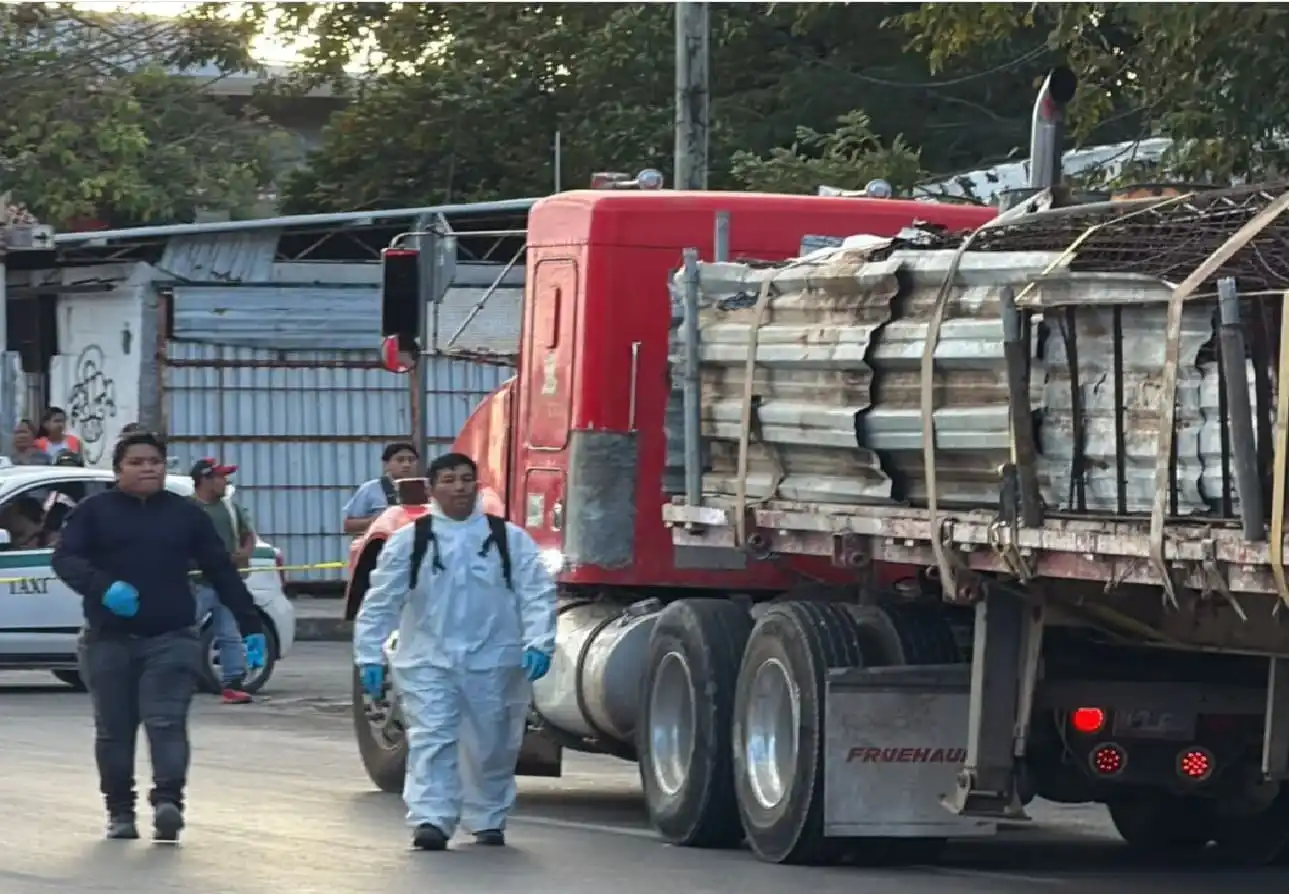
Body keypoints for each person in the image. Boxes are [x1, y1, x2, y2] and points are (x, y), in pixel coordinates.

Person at [51, 431, 267, 843]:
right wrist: (101, 586)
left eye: (155, 461)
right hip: (107, 639)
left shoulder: (184, 515)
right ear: (119, 470)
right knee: (114, 731)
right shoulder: (93, 512)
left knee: (166, 723)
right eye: (137, 462)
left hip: (171, 637)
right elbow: (65, 558)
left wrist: (250, 624)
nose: (148, 468)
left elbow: (220, 570)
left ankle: (169, 802)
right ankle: (120, 811)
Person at [353, 452, 556, 851]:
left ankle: (487, 817)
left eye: (466, 479)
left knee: (492, 742)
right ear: (431, 489)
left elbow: (536, 593)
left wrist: (539, 641)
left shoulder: (508, 539)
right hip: (428, 659)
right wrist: (369, 654)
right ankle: (432, 818)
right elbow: (381, 601)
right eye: (448, 480)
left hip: (494, 658)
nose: (458, 487)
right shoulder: (410, 542)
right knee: (433, 737)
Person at [189, 457, 257, 704]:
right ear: (205, 480)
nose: (225, 482)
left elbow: (248, 535)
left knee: (229, 634)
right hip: (197, 583)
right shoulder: (189, 509)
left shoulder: (229, 507)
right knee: (183, 630)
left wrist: (245, 553)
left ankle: (232, 683)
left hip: (227, 583)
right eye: (220, 477)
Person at [342, 442, 420, 535]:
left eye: (411, 460)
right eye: (400, 460)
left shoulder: (426, 489)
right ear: (386, 464)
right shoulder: (370, 488)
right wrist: (379, 520)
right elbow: (348, 525)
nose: (407, 464)